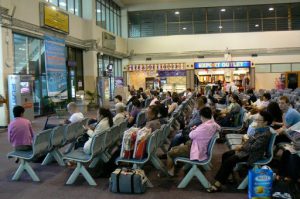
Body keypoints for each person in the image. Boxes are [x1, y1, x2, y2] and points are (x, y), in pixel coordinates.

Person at [207, 111, 273, 193]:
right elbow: (251, 142)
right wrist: (242, 146)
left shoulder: (265, 134)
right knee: (226, 155)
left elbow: (253, 147)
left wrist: (241, 147)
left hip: (252, 155)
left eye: (258, 120)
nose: (256, 122)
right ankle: (228, 176)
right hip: (247, 151)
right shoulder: (260, 130)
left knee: (229, 161)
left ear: (265, 122)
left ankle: (218, 184)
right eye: (256, 120)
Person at [167, 107, 220, 176]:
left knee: (170, 152)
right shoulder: (213, 124)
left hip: (196, 151)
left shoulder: (204, 127)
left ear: (201, 116)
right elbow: (219, 128)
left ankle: (169, 173)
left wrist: (194, 130)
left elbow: (191, 135)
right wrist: (196, 129)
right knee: (178, 147)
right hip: (201, 148)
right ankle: (173, 168)